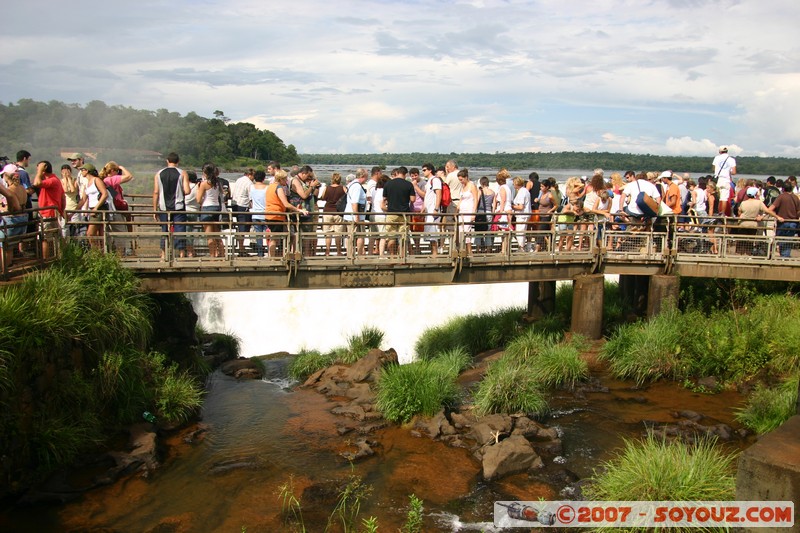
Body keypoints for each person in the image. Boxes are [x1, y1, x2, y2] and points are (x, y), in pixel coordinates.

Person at [153, 152, 191, 260]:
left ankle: (163, 254)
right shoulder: (182, 173)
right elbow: (187, 191)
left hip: (163, 207)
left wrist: (154, 209)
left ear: (167, 161)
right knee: (180, 231)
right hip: (178, 207)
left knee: (165, 230)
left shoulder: (159, 173)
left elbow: (156, 192)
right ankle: (181, 254)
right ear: (178, 161)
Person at [266, 169, 307, 257]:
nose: (286, 181)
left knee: (276, 237)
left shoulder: (270, 186)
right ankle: (272, 257)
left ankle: (276, 256)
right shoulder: (278, 188)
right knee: (275, 238)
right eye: (285, 179)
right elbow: (286, 204)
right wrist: (299, 210)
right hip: (276, 215)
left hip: (269, 214)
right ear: (280, 179)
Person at [32, 161, 66, 259]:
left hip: (48, 213)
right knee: (55, 237)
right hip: (53, 212)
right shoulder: (55, 180)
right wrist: (61, 210)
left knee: (45, 238)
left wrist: (39, 171)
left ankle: (46, 260)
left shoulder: (52, 180)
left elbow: (36, 183)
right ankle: (58, 257)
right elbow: (63, 197)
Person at [380, 166, 415, 256]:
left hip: (391, 213)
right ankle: (401, 256)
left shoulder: (388, 184)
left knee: (391, 237)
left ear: (397, 173)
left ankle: (392, 256)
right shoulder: (409, 184)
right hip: (404, 214)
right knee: (403, 237)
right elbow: (413, 199)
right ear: (405, 174)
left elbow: (384, 199)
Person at [196, 163, 226, 258]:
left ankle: (212, 256)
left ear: (205, 172)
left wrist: (198, 189)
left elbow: (198, 199)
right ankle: (222, 254)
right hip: (216, 207)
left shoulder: (204, 184)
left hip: (207, 208)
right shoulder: (217, 182)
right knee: (217, 234)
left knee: (209, 235)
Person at [0, 164, 26, 266]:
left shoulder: (10, 190)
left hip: (11, 220)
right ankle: (8, 268)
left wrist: (3, 208)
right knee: (10, 247)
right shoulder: (22, 188)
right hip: (23, 219)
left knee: (4, 247)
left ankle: (4, 270)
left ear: (7, 176)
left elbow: (13, 208)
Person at [83, 163, 113, 249]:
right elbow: (83, 199)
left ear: (87, 171)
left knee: (90, 233)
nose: (81, 172)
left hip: (99, 209)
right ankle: (101, 251)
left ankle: (95, 252)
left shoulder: (97, 180)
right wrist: (73, 212)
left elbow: (104, 194)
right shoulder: (87, 183)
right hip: (92, 209)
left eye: (82, 170)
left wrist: (96, 208)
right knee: (99, 233)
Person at [319, 172, 346, 256]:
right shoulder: (343, 188)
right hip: (338, 212)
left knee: (328, 233)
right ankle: (338, 252)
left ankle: (327, 252)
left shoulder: (327, 188)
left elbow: (323, 197)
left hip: (327, 211)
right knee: (338, 233)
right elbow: (347, 197)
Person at [770, 181, 800, 258]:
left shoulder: (781, 197)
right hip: (793, 223)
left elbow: (770, 209)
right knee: (788, 240)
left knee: (781, 240)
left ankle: (784, 256)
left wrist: (777, 217)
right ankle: (785, 256)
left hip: (782, 222)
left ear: (783, 189)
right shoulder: (796, 198)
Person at [344, 169, 368, 257]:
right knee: (360, 235)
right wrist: (357, 217)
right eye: (366, 176)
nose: (367, 178)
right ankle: (358, 255)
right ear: (363, 176)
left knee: (350, 236)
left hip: (351, 216)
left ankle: (350, 255)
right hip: (355, 217)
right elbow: (354, 203)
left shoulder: (352, 184)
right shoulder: (357, 186)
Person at [231, 168, 254, 256]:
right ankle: (241, 248)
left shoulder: (238, 180)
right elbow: (251, 197)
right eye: (253, 176)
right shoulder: (249, 183)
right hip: (243, 206)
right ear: (250, 175)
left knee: (240, 226)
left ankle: (241, 247)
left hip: (235, 204)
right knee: (243, 227)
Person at [421, 163, 442, 257]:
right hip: (428, 210)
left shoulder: (435, 180)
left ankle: (435, 253)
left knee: (433, 231)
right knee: (429, 231)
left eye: (424, 170)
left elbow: (438, 194)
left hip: (433, 210)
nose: (423, 172)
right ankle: (432, 252)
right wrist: (423, 207)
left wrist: (436, 208)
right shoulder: (428, 181)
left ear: (430, 170)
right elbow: (427, 196)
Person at [457, 169, 479, 255]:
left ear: (466, 177)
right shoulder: (463, 187)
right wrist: (457, 208)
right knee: (461, 230)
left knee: (467, 230)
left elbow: (476, 199)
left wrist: (473, 213)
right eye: (459, 180)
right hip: (462, 211)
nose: (461, 181)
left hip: (469, 211)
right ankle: (463, 249)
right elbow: (461, 199)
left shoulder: (472, 186)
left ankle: (469, 251)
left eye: (461, 179)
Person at [249, 170, 269, 257]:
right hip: (266, 213)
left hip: (255, 213)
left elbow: (250, 201)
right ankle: (270, 252)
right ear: (264, 178)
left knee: (258, 235)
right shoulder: (267, 188)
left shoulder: (251, 187)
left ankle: (260, 253)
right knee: (268, 234)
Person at [712, 146, 736, 216]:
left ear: (720, 152)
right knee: (724, 198)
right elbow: (734, 172)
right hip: (726, 180)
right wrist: (728, 171)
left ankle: (717, 211)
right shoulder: (731, 159)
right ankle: (722, 213)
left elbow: (713, 169)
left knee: (718, 197)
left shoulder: (716, 158)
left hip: (718, 179)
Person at [511, 176, 532, 252]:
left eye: (513, 183)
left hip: (522, 215)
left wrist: (512, 206)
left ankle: (521, 248)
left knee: (520, 232)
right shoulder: (525, 191)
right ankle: (522, 247)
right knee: (522, 231)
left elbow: (521, 207)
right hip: (525, 214)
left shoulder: (521, 192)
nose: (513, 185)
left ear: (517, 184)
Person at [475, 176, 495, 253]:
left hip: (480, 212)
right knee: (488, 232)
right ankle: (488, 250)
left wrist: (474, 211)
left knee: (478, 231)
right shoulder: (492, 192)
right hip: (489, 213)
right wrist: (492, 213)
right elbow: (494, 204)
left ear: (481, 183)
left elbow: (476, 201)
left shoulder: (480, 191)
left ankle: (478, 250)